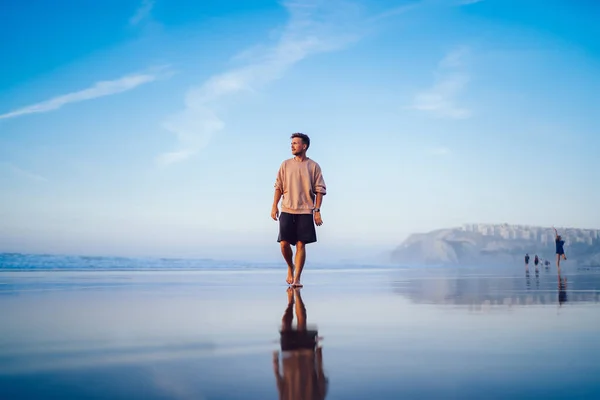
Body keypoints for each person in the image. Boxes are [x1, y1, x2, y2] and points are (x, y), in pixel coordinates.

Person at [271, 133, 327, 287]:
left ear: (304, 146)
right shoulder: (285, 164)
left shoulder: (314, 166)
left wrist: (317, 211)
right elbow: (278, 187)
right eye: (292, 143)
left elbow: (320, 190)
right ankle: (290, 266)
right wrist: (274, 205)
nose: (292, 146)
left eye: (295, 143)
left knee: (301, 244)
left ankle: (297, 278)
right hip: (287, 208)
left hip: (305, 210)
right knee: (283, 243)